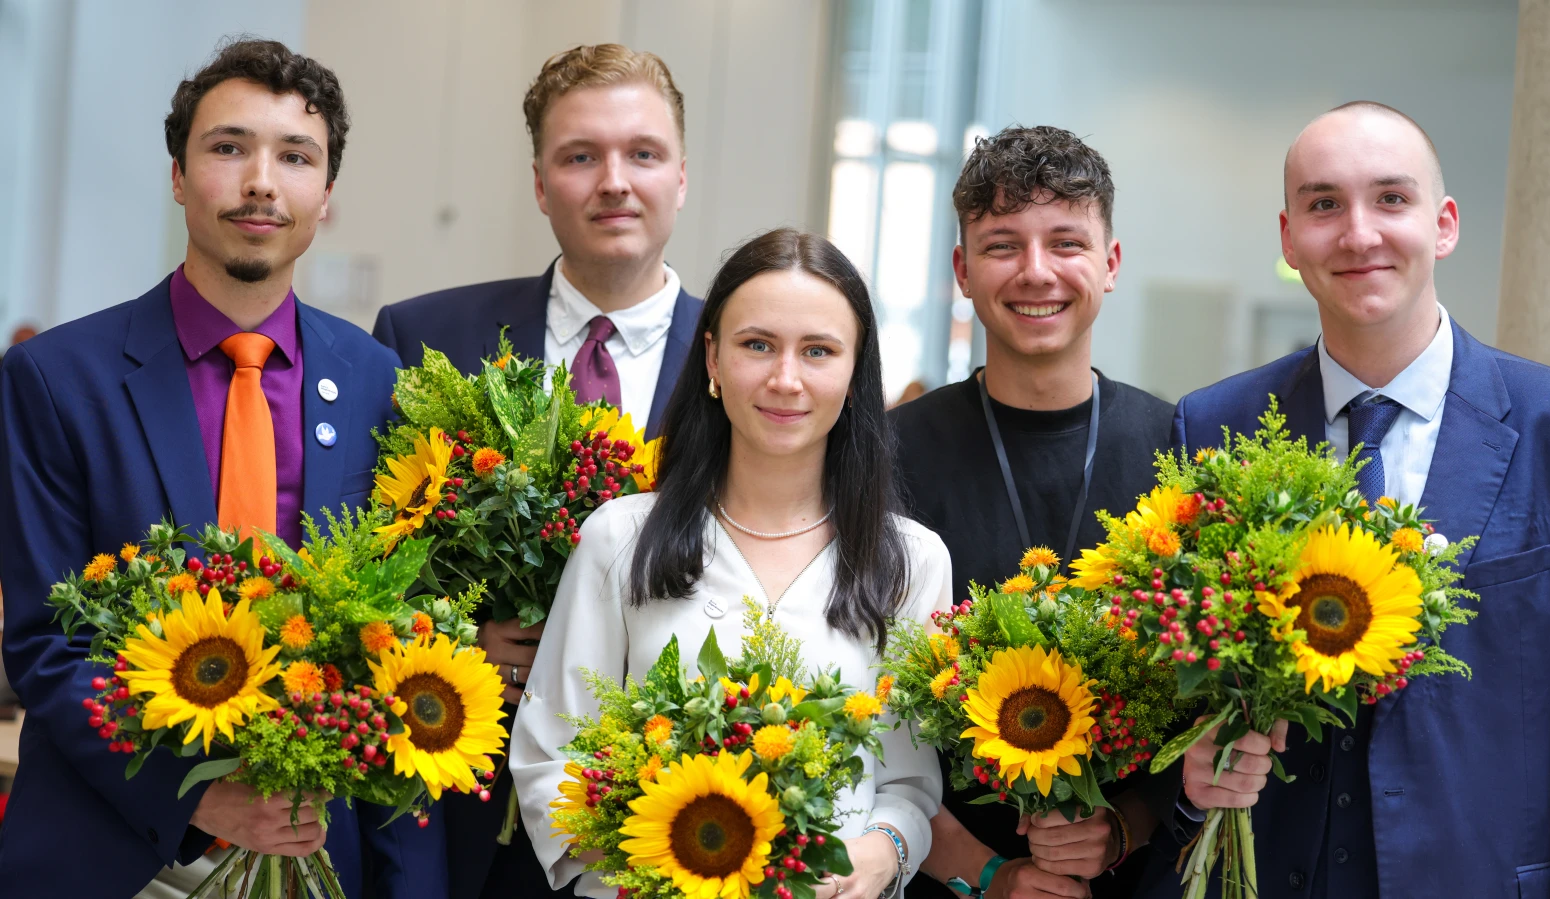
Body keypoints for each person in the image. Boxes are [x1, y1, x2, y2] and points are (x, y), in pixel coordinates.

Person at [0, 39, 442, 897]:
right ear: (178, 174)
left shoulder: (380, 386)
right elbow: (46, 646)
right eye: (228, 147)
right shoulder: (56, 379)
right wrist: (199, 797)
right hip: (112, 851)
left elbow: (403, 636)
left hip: (320, 849)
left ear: (326, 196)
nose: (261, 182)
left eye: (295, 156)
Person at [1135, 101, 1550, 898]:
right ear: (1288, 238)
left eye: (1391, 199)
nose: (1358, 233)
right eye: (1324, 204)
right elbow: (1181, 699)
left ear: (1443, 223)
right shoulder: (1213, 424)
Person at [509, 228, 947, 899]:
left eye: (819, 351)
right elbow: (550, 758)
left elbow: (910, 783)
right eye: (757, 345)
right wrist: (670, 853)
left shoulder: (911, 560)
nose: (785, 378)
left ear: (857, 374)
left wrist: (880, 852)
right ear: (712, 358)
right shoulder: (619, 537)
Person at [370, 45, 702, 897]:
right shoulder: (423, 339)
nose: (614, 181)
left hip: (678, 805)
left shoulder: (747, 361)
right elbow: (370, 560)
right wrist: (458, 647)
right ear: (539, 182)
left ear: (681, 176)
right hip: (459, 801)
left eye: (642, 153)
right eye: (580, 156)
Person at [891, 125, 1174, 899]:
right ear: (962, 269)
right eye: (1003, 244)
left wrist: (1123, 826)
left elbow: (1199, 711)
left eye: (1066, 242)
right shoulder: (887, 453)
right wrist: (986, 873)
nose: (1036, 271)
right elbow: (866, 713)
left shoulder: (1173, 449)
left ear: (1110, 264)